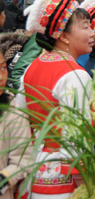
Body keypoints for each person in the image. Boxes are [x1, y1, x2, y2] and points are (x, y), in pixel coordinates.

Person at [15, 0, 94, 198]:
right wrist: (85, 184)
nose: (92, 32)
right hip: (64, 182)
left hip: (34, 173)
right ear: (64, 36)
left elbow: (19, 120)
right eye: (86, 27)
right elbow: (78, 136)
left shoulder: (33, 66)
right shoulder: (76, 75)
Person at [10, 0, 92, 89]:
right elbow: (18, 72)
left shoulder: (86, 37)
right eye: (83, 1)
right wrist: (34, 97)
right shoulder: (47, 34)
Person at [0, 50, 32, 199]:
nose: (1, 77)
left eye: (3, 68)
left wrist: (4, 179)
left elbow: (23, 160)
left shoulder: (13, 111)